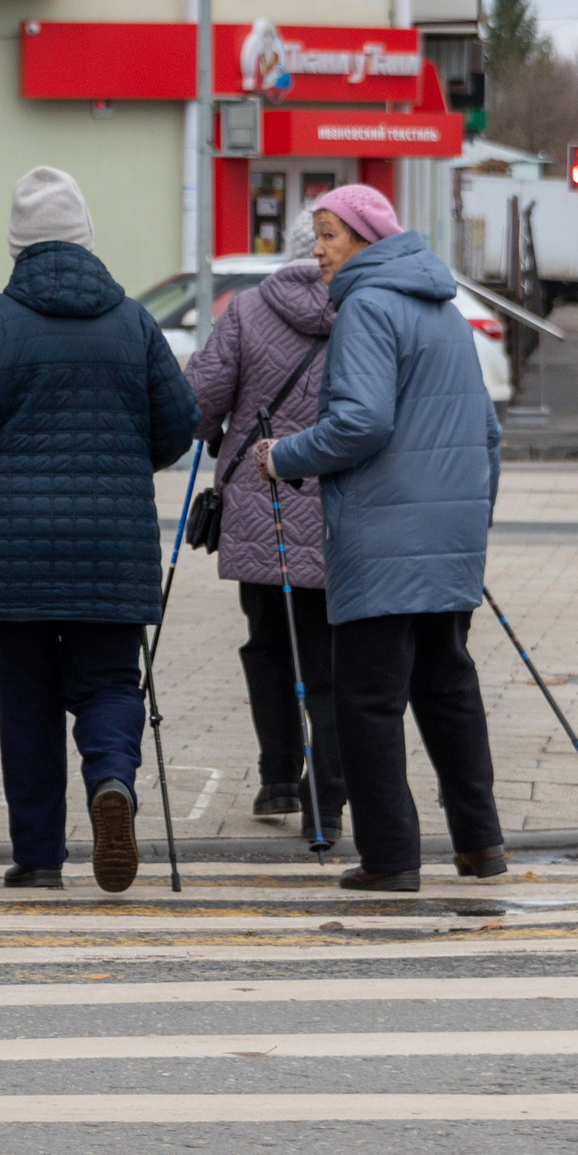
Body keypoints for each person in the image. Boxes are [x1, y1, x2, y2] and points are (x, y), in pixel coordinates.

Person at [0, 168, 197, 893]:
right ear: (85, 238)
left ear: (17, 244)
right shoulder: (134, 322)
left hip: (10, 550)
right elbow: (179, 425)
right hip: (112, 543)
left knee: (28, 700)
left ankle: (39, 856)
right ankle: (112, 780)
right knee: (110, 680)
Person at [254, 184, 504, 894]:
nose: (320, 249)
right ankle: (480, 844)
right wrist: (468, 523)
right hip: (447, 538)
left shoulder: (367, 306)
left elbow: (361, 422)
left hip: (383, 538)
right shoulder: (444, 311)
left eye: (329, 234)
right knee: (447, 687)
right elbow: (488, 434)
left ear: (366, 237)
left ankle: (391, 857)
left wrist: (284, 455)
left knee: (366, 698)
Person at [186, 251, 346, 838]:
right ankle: (326, 802)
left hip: (262, 510)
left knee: (268, 645)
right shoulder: (370, 311)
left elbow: (198, 404)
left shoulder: (249, 310)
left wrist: (214, 429)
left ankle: (279, 775)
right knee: (330, 661)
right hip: (344, 513)